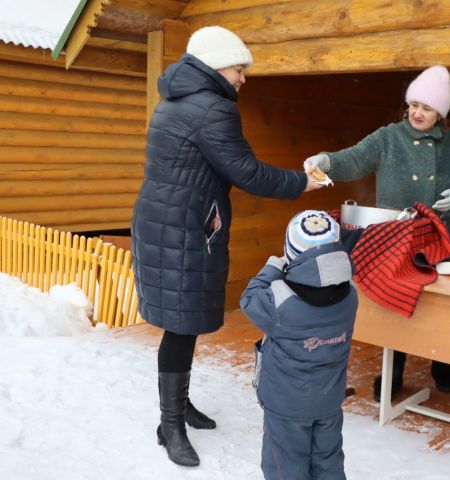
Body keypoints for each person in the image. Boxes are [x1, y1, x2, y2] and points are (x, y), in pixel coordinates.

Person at [131, 26, 324, 467]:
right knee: (181, 323)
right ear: (218, 65)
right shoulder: (211, 108)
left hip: (168, 219)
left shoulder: (177, 98)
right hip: (183, 227)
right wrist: (302, 182)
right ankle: (171, 424)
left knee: (184, 319)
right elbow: (247, 172)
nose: (243, 78)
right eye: (240, 69)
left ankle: (179, 407)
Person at [303, 65, 450, 401]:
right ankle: (393, 370)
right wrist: (327, 161)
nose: (417, 112)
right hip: (396, 238)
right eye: (413, 104)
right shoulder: (388, 137)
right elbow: (354, 159)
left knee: (441, 307)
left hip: (441, 238)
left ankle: (441, 364)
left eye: (427, 108)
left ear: (440, 113)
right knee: (395, 301)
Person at [240, 210, 358, 480]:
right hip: (328, 400)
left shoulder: (278, 301)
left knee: (286, 467)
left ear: (291, 254)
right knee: (328, 463)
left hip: (286, 406)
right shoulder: (350, 294)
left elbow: (248, 298)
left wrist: (273, 265)